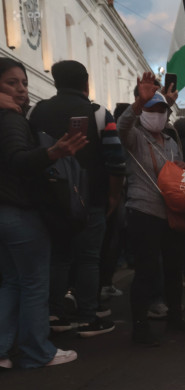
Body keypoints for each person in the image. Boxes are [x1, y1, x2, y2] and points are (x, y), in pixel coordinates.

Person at [0, 58, 87, 369]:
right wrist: (53, 153)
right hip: (20, 212)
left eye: (24, 83)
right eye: (11, 82)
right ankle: (37, 350)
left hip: (5, 213)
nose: (22, 89)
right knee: (34, 283)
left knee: (12, 282)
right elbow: (17, 160)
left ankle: (3, 350)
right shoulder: (11, 120)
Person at [29, 60, 126, 337]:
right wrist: (113, 197)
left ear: (56, 82)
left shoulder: (36, 111)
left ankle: (55, 314)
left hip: (49, 200)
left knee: (58, 257)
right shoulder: (98, 113)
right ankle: (87, 317)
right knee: (88, 259)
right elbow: (116, 162)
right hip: (90, 199)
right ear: (86, 83)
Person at [118, 71, 185, 345]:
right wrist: (140, 101)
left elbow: (177, 170)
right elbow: (122, 126)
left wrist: (182, 168)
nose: (157, 114)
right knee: (146, 271)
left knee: (174, 269)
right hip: (144, 213)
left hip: (173, 214)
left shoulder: (172, 141)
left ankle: (175, 317)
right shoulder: (135, 137)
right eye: (152, 110)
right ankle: (140, 329)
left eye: (162, 110)